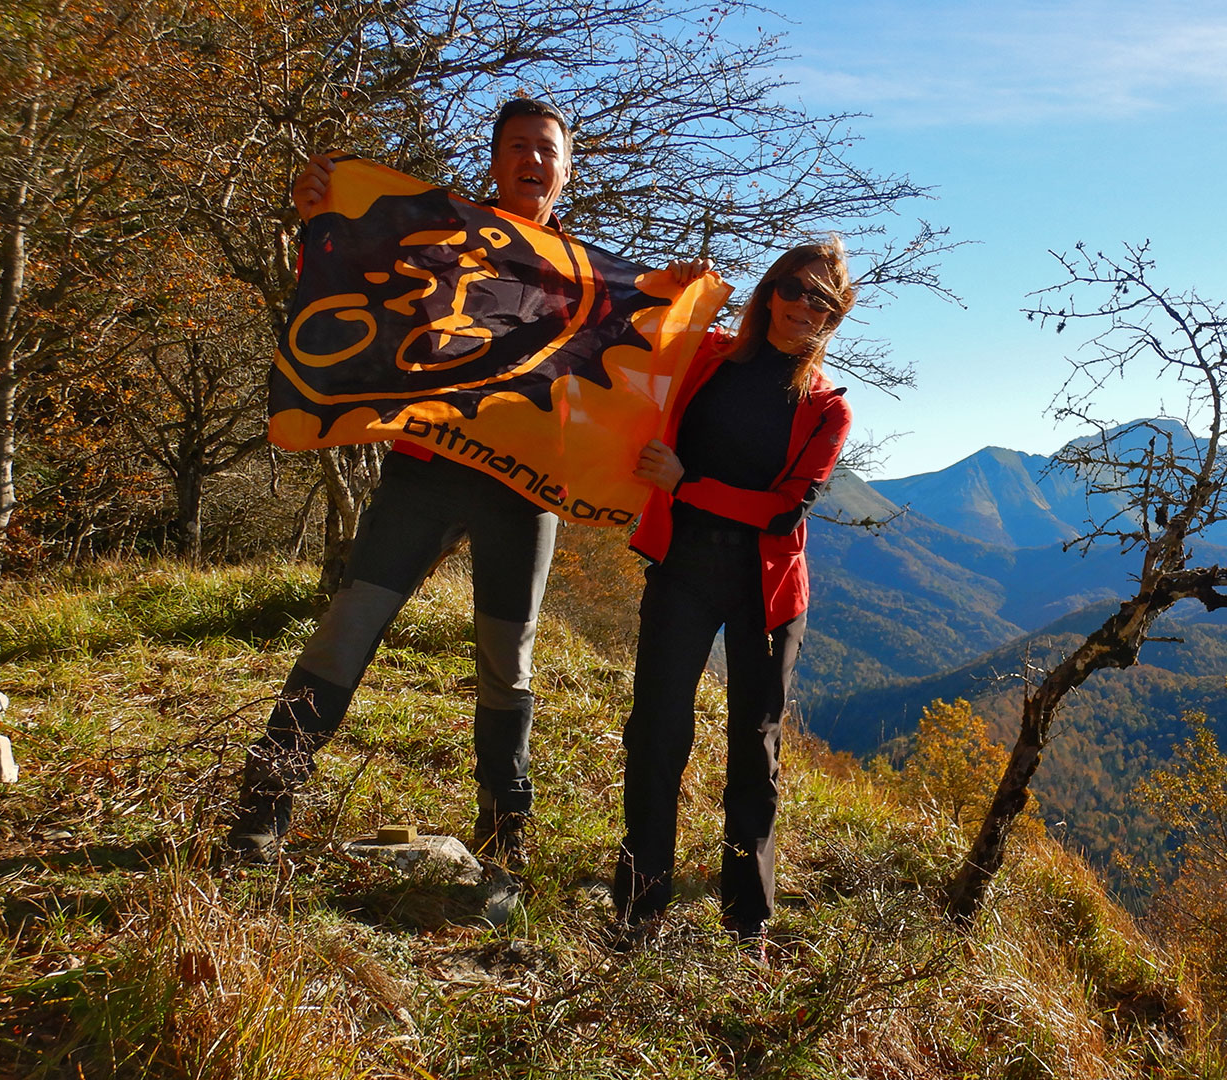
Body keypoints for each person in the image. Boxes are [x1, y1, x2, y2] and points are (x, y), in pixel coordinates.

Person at [227, 98, 578, 865]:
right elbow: (355, 281)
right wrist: (321, 217)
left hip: (521, 487)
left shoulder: (588, 279)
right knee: (348, 627)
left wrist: (689, 301)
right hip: (427, 471)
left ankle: (501, 834)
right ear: (494, 160)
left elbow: (637, 366)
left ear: (565, 168)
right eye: (516, 146)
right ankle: (263, 809)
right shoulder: (448, 237)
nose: (532, 159)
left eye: (546, 149)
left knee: (507, 657)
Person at [612, 238, 855, 949]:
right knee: (656, 731)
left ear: (833, 318)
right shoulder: (708, 357)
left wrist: (686, 484)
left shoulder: (828, 410)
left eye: (823, 301)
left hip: (768, 589)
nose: (803, 308)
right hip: (682, 566)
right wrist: (676, 284)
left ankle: (747, 921)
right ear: (768, 292)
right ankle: (639, 909)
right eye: (794, 289)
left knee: (756, 747)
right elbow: (638, 328)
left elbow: (784, 511)